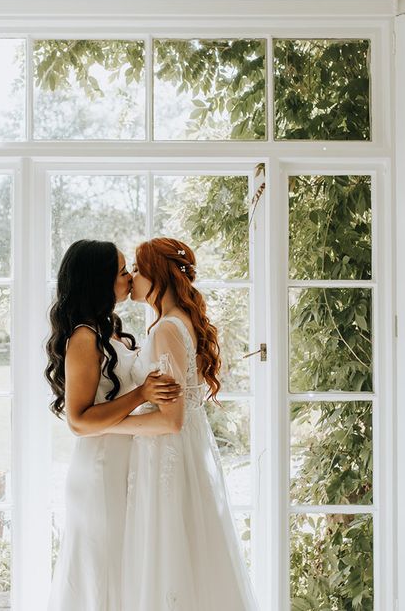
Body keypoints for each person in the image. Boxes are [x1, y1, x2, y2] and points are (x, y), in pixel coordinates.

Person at [100, 237, 258, 611]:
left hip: (166, 456)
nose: (132, 278)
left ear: (158, 275)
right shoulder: (175, 323)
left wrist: (106, 425)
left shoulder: (167, 329)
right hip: (183, 453)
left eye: (137, 269)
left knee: (167, 554)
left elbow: (171, 421)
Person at [45, 239, 181, 611]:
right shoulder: (84, 338)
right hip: (100, 470)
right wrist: (140, 395)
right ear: (99, 280)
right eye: (122, 271)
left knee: (124, 575)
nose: (129, 277)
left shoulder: (110, 331)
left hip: (124, 464)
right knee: (100, 579)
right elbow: (78, 420)